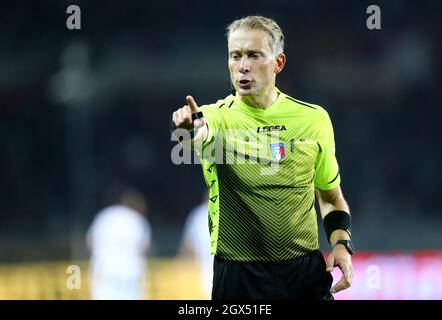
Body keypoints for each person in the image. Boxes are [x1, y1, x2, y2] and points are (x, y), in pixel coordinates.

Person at [171, 16, 354, 300]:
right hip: (239, 279)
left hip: (304, 274)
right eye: (235, 56)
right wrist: (188, 125)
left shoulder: (313, 119)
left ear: (278, 63)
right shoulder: (216, 116)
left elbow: (330, 197)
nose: (242, 66)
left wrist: (341, 243)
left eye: (254, 55)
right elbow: (201, 130)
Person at [86, 187, 151, 300]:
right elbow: (145, 250)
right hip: (130, 277)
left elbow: (90, 244)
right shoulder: (137, 220)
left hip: (104, 274)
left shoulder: (105, 215)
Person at [178, 191, 214, 299]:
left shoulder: (197, 214)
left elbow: (188, 244)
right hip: (219, 269)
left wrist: (180, 262)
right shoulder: (229, 212)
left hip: (205, 270)